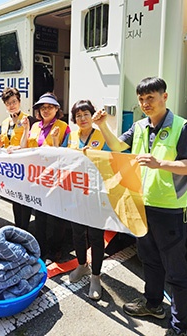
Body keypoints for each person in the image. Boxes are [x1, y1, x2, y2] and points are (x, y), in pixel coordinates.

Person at [96, 77, 187, 336]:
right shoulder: (140, 126)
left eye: (150, 98)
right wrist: (102, 126)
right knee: (150, 260)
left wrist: (160, 163)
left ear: (165, 96)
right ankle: (153, 304)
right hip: (142, 205)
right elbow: (119, 148)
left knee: (175, 271)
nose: (145, 103)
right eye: (142, 99)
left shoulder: (182, 126)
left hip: (170, 209)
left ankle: (180, 327)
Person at [62, 100, 112, 301]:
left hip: (96, 194)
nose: (82, 119)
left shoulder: (102, 136)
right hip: (76, 193)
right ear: (74, 119)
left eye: (86, 114)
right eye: (78, 116)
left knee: (96, 236)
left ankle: (96, 276)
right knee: (77, 232)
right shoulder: (72, 136)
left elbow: (114, 160)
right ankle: (82, 265)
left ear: (92, 116)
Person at [20, 92, 70, 263]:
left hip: (56, 179)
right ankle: (41, 248)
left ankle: (56, 249)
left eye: (50, 107)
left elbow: (66, 155)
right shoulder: (35, 127)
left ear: (57, 109)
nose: (46, 110)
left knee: (57, 216)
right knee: (40, 215)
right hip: (37, 178)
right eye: (43, 107)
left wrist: (56, 141)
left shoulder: (64, 127)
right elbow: (26, 148)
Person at [0, 87, 33, 230]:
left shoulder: (28, 119)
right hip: (10, 167)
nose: (11, 105)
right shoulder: (5, 122)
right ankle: (17, 227)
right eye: (8, 103)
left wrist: (17, 148)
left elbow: (30, 145)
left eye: (14, 101)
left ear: (19, 101)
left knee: (24, 199)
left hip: (24, 166)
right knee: (14, 198)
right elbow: (3, 143)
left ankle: (24, 229)